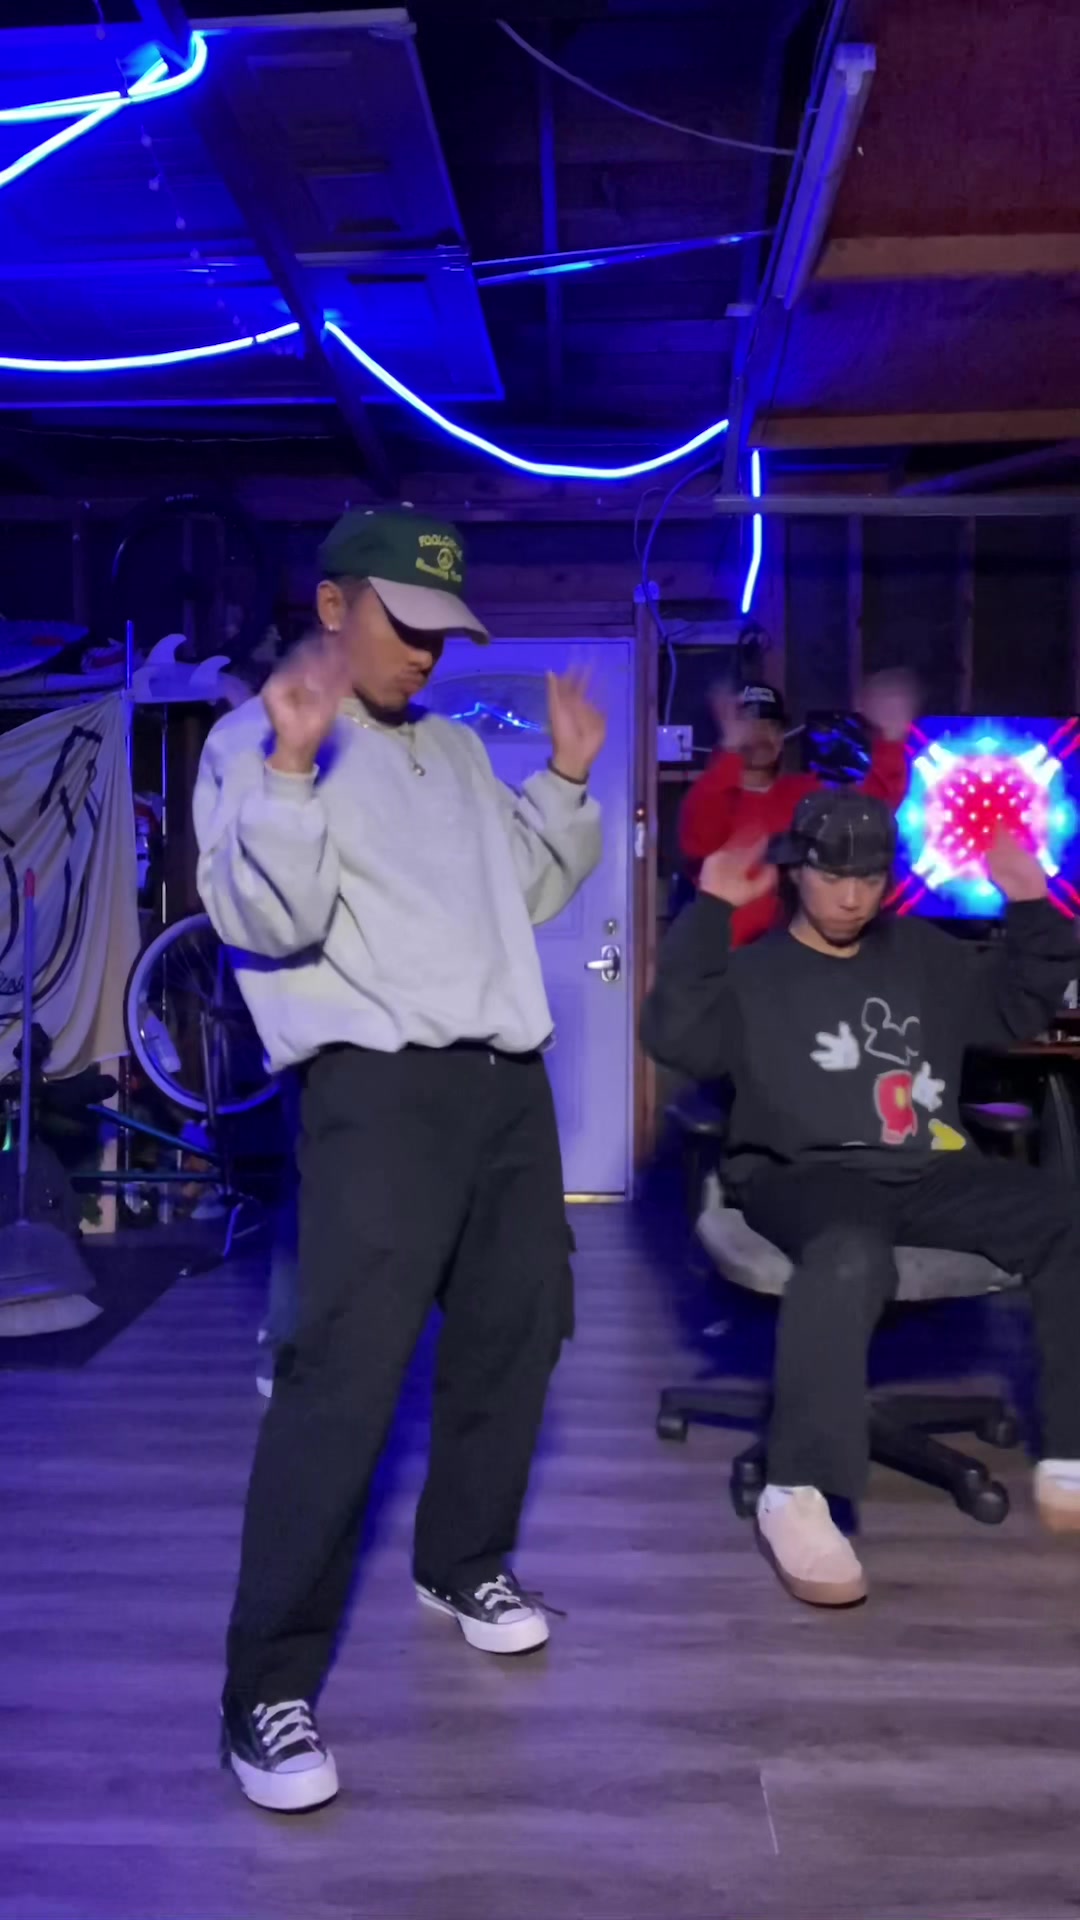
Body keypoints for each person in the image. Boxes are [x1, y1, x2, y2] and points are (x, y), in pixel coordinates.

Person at [194, 506, 605, 1811]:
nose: (426, 654)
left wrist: (566, 781)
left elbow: (521, 897)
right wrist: (293, 773)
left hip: (505, 1088)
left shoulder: (455, 753)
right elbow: (269, 918)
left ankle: (461, 1561)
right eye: (406, 625)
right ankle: (264, 1691)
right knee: (344, 1381)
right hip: (376, 1092)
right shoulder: (252, 742)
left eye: (443, 633)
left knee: (517, 1332)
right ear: (334, 606)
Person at [642, 787, 1080, 1609]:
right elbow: (673, 1038)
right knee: (849, 1253)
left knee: (1065, 1217)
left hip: (924, 1168)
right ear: (795, 871)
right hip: (799, 1172)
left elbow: (1018, 1004)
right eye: (833, 877)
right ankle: (795, 1490)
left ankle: (1071, 1457)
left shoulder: (927, 957)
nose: (851, 898)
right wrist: (708, 912)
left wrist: (1030, 902)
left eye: (870, 880)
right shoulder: (756, 973)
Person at [678, 676, 915, 947]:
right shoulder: (710, 796)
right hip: (728, 963)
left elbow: (870, 809)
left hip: (801, 960)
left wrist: (891, 739)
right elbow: (699, 836)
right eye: (750, 723)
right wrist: (730, 751)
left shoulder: (806, 795)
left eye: (772, 726)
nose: (762, 735)